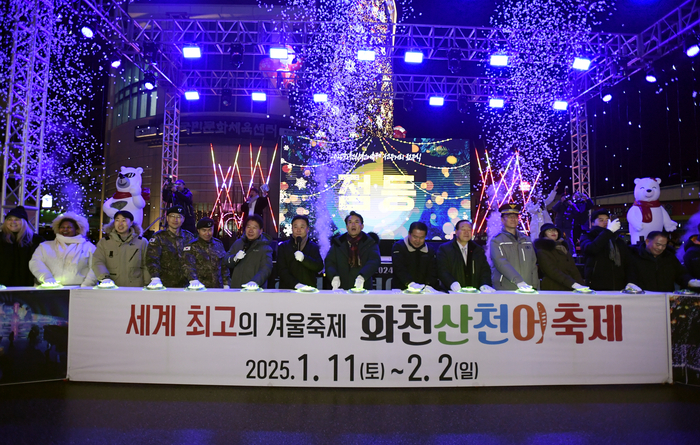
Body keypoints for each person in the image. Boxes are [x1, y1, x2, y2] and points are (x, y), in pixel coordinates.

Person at [29, 212, 97, 287]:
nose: (65, 229)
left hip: (78, 290)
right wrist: (47, 278)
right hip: (49, 289)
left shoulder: (89, 247)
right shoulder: (45, 246)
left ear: (77, 229)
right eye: (62, 227)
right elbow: (35, 263)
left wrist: (86, 286)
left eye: (69, 227)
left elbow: (95, 267)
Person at [627, 231, 700, 292]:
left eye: (664, 245)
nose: (660, 248)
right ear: (647, 241)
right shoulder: (634, 257)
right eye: (658, 244)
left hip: (666, 299)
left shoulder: (669, 257)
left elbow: (680, 274)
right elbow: (630, 276)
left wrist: (689, 281)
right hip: (643, 299)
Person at [93, 210, 151, 287]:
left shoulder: (141, 242)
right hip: (111, 286)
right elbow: (98, 261)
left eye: (124, 220)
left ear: (131, 223)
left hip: (135, 287)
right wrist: (104, 278)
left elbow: (146, 265)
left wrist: (147, 284)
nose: (120, 224)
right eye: (117, 220)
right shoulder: (105, 242)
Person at [325, 211, 380, 290]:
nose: (353, 225)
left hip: (363, 288)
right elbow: (329, 262)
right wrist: (334, 276)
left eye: (356, 222)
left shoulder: (370, 242)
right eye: (350, 222)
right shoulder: (338, 242)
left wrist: (362, 276)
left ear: (362, 226)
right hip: (341, 288)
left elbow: (374, 261)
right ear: (347, 227)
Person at [436, 220, 494, 292]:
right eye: (463, 229)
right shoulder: (445, 249)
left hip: (474, 293)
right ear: (456, 232)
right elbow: (442, 270)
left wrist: (485, 284)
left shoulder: (477, 249)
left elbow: (485, 270)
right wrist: (451, 283)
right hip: (452, 293)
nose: (466, 232)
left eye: (469, 230)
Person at [490, 203, 539, 290]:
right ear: (502, 220)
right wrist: (518, 281)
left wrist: (535, 286)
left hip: (527, 287)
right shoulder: (497, 241)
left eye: (515, 217)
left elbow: (533, 265)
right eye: (509, 216)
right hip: (506, 288)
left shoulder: (526, 240)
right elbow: (501, 263)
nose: (513, 219)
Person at [146, 205, 196, 288]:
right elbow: (152, 259)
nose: (175, 220)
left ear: (183, 219)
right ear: (167, 218)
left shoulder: (189, 237)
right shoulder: (158, 237)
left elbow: (193, 260)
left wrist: (194, 278)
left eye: (179, 217)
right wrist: (155, 277)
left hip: (186, 284)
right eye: (172, 216)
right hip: (164, 283)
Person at [579, 209, 629, 290]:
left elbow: (627, 261)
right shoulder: (587, 236)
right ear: (592, 223)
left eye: (607, 220)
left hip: (618, 284)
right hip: (596, 283)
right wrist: (608, 231)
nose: (605, 222)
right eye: (601, 220)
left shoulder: (617, 239)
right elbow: (591, 249)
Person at [225, 214, 273, 289]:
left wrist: (255, 282)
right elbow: (226, 261)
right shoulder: (238, 243)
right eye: (248, 227)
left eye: (254, 228)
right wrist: (234, 258)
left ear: (260, 231)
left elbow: (266, 269)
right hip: (236, 290)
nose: (250, 230)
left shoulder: (266, 248)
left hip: (255, 290)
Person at [533, 223, 586, 291]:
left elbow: (573, 269)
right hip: (553, 287)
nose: (553, 232)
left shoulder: (563, 248)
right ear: (544, 234)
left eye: (555, 230)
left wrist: (581, 284)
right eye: (549, 230)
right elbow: (552, 271)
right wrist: (573, 284)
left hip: (569, 287)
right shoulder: (542, 250)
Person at [0, 206, 43, 287]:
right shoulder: (1, 238)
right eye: (9, 219)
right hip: (2, 288)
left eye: (17, 219)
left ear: (24, 222)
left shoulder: (36, 240)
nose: (13, 222)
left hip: (27, 287)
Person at [277, 215, 324, 289]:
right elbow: (281, 270)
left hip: (308, 289)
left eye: (302, 227)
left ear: (307, 229)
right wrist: (296, 284)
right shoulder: (283, 246)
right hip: (287, 289)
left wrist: (304, 259)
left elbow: (319, 266)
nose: (298, 230)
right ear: (292, 228)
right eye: (295, 227)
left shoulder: (313, 246)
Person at [391, 221, 440, 292]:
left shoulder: (430, 249)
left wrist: (428, 286)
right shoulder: (398, 247)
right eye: (415, 237)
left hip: (424, 291)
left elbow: (433, 270)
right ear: (409, 234)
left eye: (421, 237)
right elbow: (399, 269)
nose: (418, 240)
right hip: (401, 290)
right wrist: (410, 284)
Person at [182, 217, 230, 289]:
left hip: (217, 288)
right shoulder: (191, 246)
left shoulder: (218, 244)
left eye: (210, 230)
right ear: (198, 230)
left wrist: (226, 284)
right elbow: (188, 266)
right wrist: (193, 280)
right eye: (204, 230)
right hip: (199, 287)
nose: (207, 233)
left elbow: (224, 266)